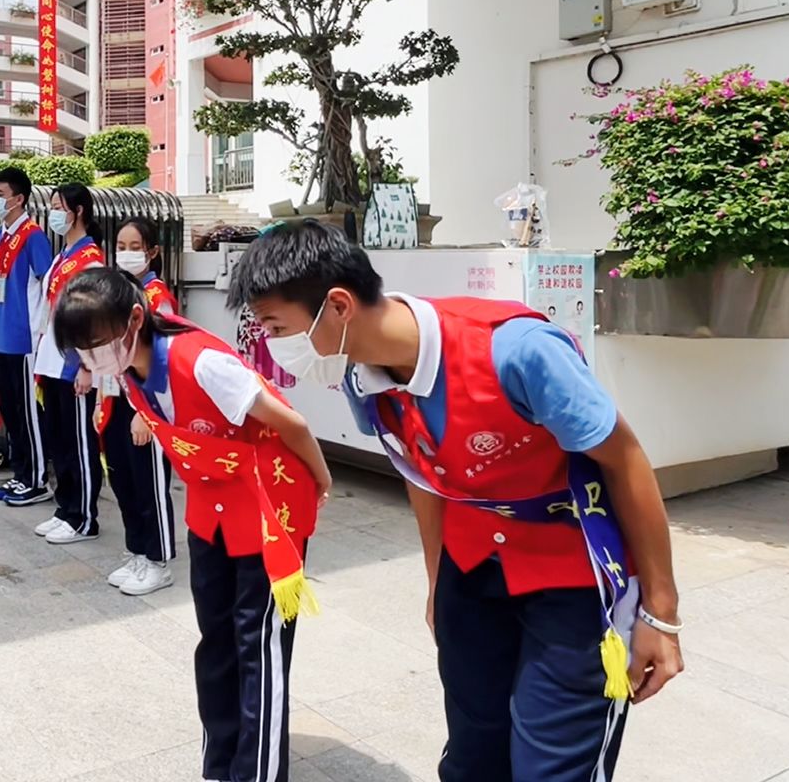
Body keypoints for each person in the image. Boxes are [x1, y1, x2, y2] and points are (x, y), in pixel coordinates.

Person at [229, 220, 682, 782]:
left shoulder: (517, 352)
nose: (271, 345)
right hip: (470, 571)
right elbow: (419, 472)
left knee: (553, 762)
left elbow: (625, 458)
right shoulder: (361, 377)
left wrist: (661, 613)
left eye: (276, 326)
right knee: (472, 753)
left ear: (338, 306)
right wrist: (438, 582)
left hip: (570, 578)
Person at [55, 267, 329, 782]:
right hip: (211, 512)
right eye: (82, 351)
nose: (92, 359)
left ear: (134, 319)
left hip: (266, 507)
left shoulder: (202, 363)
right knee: (216, 640)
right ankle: (220, 764)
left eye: (96, 344)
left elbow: (292, 423)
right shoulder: (129, 370)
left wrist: (321, 478)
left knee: (258, 646)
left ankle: (258, 772)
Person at [96, 217, 180, 595]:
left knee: (149, 484)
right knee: (124, 481)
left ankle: (159, 559)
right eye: (121, 246)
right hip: (116, 398)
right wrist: (101, 395)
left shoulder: (157, 296)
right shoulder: (117, 293)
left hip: (144, 405)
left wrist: (147, 414)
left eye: (135, 247)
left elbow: (161, 357)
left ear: (153, 252)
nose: (126, 253)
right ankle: (138, 553)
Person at [29, 183, 106, 538]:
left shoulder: (90, 258)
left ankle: (84, 518)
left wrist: (87, 365)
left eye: (59, 206)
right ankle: (66, 508)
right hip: (51, 359)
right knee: (60, 440)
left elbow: (93, 316)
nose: (54, 213)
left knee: (79, 443)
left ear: (77, 211)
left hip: (73, 363)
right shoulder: (64, 256)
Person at [0, 166, 53, 504]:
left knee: (28, 412)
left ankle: (38, 479)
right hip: (0, 335)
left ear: (19, 199)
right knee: (10, 411)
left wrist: (44, 335)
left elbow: (50, 285)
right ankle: (20, 474)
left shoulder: (34, 237)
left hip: (24, 340)